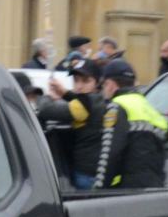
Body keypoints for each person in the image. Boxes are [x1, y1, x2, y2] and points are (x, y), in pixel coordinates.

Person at [44, 58, 120, 190]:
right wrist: (64, 93)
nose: (79, 86)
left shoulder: (84, 105)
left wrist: (45, 97)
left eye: (85, 81)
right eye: (76, 80)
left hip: (85, 174)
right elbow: (80, 99)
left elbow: (47, 110)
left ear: (97, 83)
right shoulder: (98, 99)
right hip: (96, 172)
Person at [99, 60, 168, 189]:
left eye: (103, 85)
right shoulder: (151, 109)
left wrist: (99, 189)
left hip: (125, 190)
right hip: (155, 188)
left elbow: (109, 154)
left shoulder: (117, 106)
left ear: (110, 84)